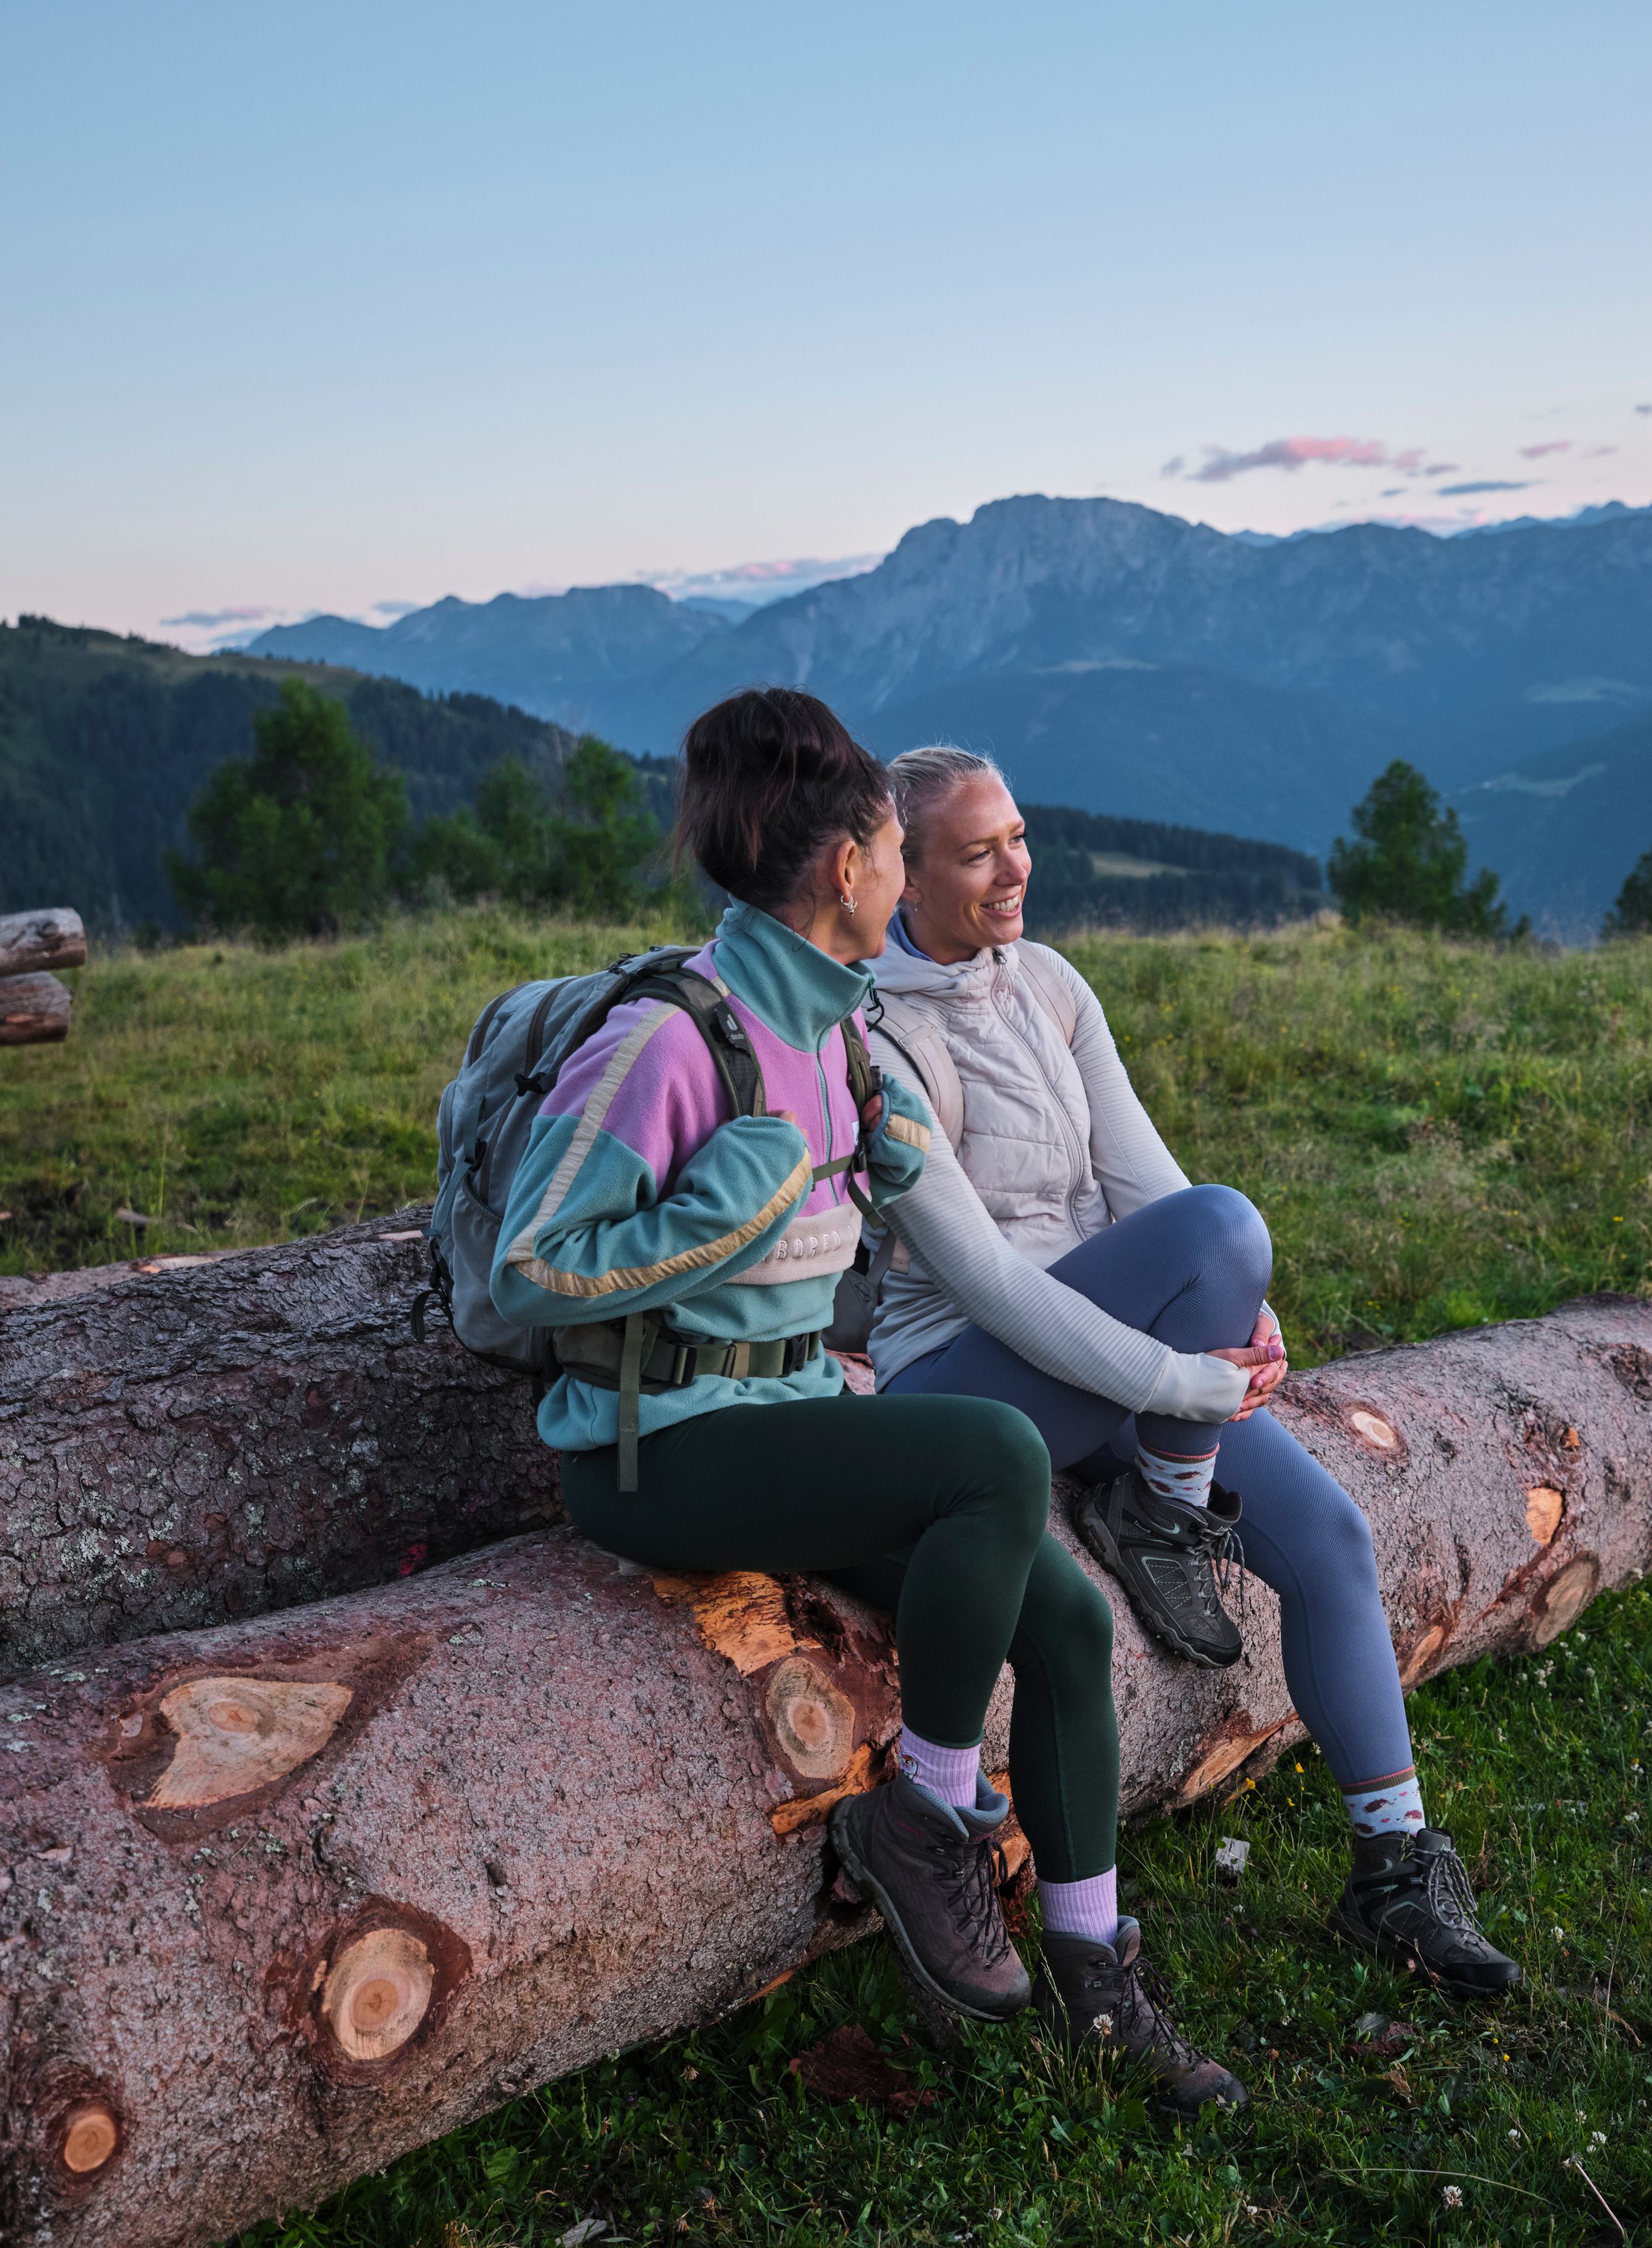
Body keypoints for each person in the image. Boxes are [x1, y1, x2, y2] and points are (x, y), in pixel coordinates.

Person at [492, 690, 1242, 2112]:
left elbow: (940, 1257)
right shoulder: (667, 1041)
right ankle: (928, 1812)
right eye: (900, 846)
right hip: (655, 1456)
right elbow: (535, 1267)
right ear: (849, 869)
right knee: (994, 1458)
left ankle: (1094, 1977)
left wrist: (1176, 1369)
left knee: (1069, 1619)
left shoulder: (840, 1040)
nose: (906, 873)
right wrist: (726, 1205)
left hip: (783, 1429)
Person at [866, 746, 1521, 1998]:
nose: (1016, 868)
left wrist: (1248, 1314)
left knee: (1329, 1532)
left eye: (1019, 835)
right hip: (962, 1383)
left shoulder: (1051, 986)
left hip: (1104, 1355)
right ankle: (1166, 1504)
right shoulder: (879, 1039)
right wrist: (1179, 1384)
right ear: (906, 874)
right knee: (1222, 1225)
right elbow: (993, 1287)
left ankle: (1391, 1871)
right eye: (977, 851)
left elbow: (1145, 1185)